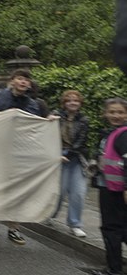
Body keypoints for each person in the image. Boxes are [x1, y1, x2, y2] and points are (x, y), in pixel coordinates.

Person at [0, 69, 45, 245]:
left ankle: (14, 228)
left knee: (17, 190)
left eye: (26, 79)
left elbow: (37, 126)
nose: (23, 82)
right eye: (20, 78)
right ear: (12, 81)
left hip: (20, 153)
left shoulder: (33, 103)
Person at [88, 98, 127, 275]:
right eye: (112, 112)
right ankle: (114, 267)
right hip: (110, 187)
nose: (116, 115)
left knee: (111, 229)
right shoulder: (111, 133)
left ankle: (114, 270)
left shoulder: (123, 135)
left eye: (120, 112)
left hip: (116, 191)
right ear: (105, 113)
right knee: (123, 230)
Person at [50, 90, 90, 238]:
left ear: (80, 103)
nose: (73, 103)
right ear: (64, 103)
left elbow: (81, 141)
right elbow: (47, 132)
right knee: (59, 192)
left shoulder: (84, 120)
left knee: (78, 193)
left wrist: (67, 154)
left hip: (76, 159)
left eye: (76, 100)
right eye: (69, 100)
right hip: (57, 158)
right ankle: (49, 214)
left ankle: (75, 224)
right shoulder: (56, 116)